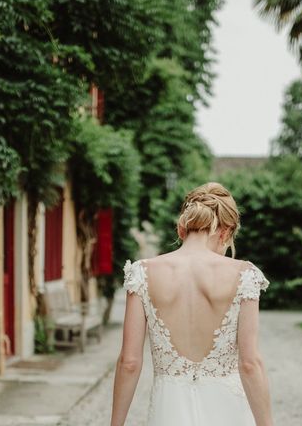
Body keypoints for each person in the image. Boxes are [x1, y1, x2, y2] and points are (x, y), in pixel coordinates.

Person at [110, 182, 273, 426]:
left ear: (181, 228)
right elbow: (249, 364)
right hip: (227, 411)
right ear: (226, 232)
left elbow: (130, 362)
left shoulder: (142, 273)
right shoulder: (244, 275)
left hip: (169, 411)